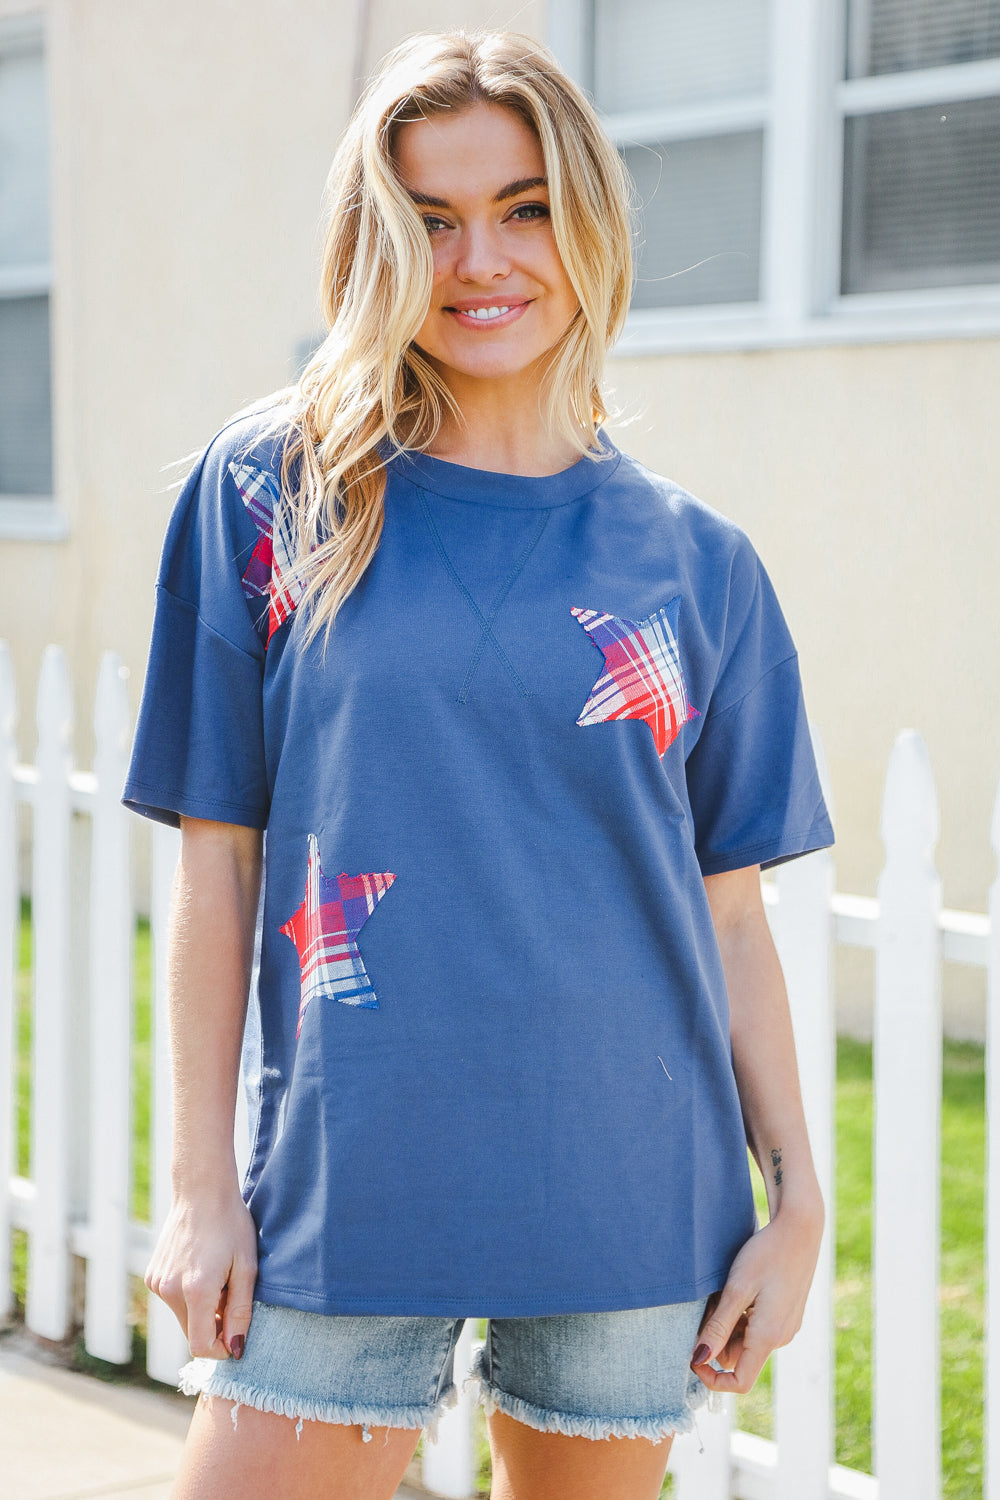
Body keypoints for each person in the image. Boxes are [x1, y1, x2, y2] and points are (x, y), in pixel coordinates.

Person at [123, 29, 833, 1500]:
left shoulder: (698, 565)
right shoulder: (274, 497)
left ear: (589, 225)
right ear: (373, 243)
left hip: (631, 1189)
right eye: (430, 220)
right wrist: (197, 1189)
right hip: (345, 1184)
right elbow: (218, 860)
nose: (480, 261)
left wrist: (797, 1201)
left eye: (523, 209)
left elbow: (730, 919)